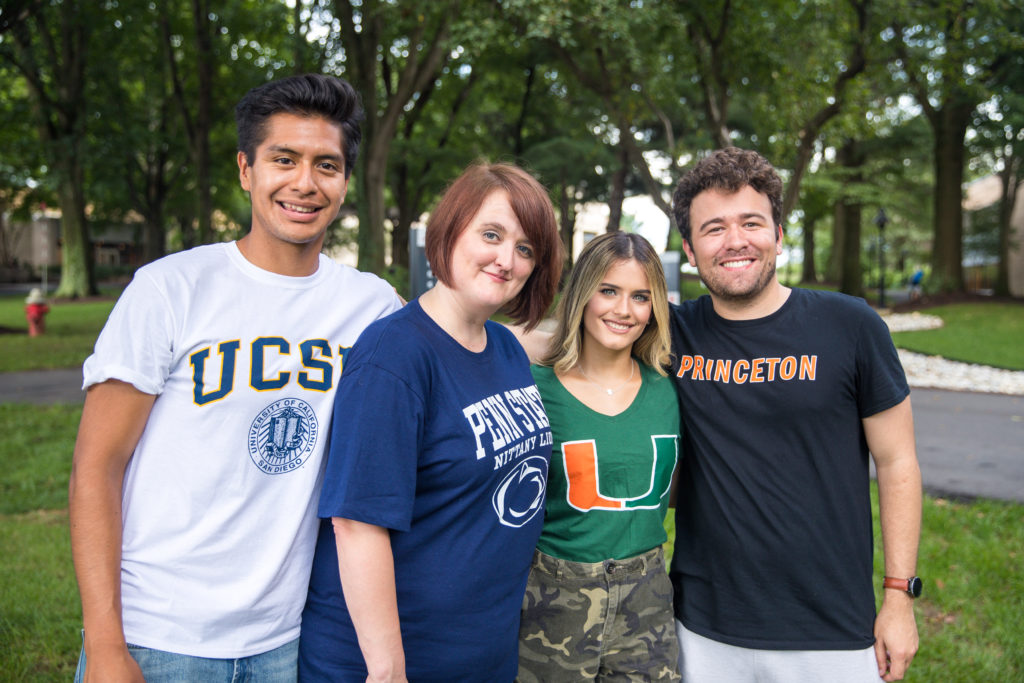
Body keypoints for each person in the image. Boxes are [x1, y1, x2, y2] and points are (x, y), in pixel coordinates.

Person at [68, 74, 403, 682]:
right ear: (246, 170)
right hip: (157, 635)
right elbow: (97, 466)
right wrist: (107, 645)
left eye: (326, 165)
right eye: (284, 159)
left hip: (282, 641)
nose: (305, 182)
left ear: (345, 182)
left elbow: (453, 345)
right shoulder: (170, 289)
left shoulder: (372, 307)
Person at [297, 162, 564, 682]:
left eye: (526, 248)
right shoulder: (393, 355)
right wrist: (387, 670)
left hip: (481, 653)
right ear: (450, 228)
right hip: (393, 661)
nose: (506, 259)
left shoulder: (507, 349)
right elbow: (357, 523)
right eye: (491, 234)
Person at [669, 147, 922, 682]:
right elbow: (572, 330)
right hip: (704, 627)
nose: (735, 240)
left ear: (779, 235)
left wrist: (899, 597)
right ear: (690, 250)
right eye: (713, 228)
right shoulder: (670, 333)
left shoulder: (850, 326)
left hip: (832, 630)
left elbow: (897, 460)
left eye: (751, 222)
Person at [517, 231, 682, 682]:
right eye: (608, 291)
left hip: (647, 604)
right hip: (552, 603)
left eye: (640, 297)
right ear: (582, 295)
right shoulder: (532, 387)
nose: (623, 310)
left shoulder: (671, 389)